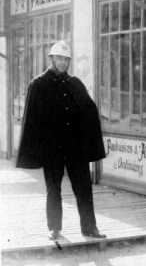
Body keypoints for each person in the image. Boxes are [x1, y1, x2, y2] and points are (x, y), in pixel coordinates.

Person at [16, 40, 107, 240]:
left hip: (75, 148)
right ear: (51, 59)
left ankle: (90, 228)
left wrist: (88, 141)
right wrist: (36, 150)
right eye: (59, 58)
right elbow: (31, 120)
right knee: (53, 188)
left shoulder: (75, 83)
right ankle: (54, 228)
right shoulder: (38, 85)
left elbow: (89, 111)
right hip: (52, 148)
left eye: (66, 59)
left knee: (83, 187)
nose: (63, 63)